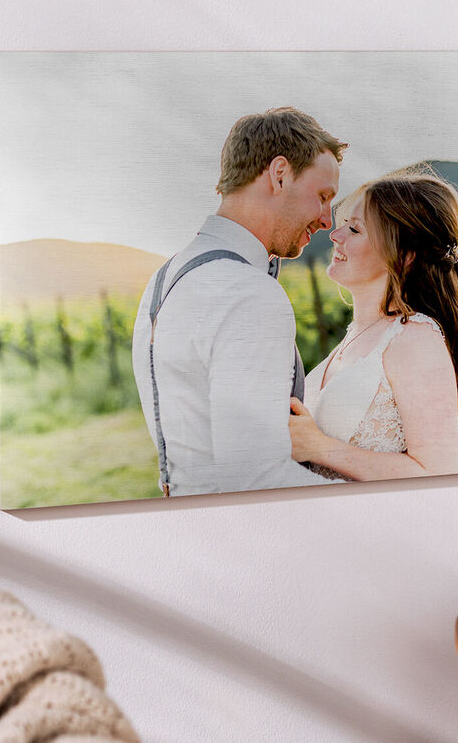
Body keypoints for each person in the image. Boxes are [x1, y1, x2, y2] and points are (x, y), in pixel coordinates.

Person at [131, 107, 346, 496]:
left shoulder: (165, 279)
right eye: (322, 196)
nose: (327, 220)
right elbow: (257, 479)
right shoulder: (246, 292)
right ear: (279, 174)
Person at [288, 171, 458, 481]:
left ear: (403, 255)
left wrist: (319, 447)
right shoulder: (357, 335)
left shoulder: (414, 338)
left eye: (355, 229)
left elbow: (436, 473)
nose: (335, 234)